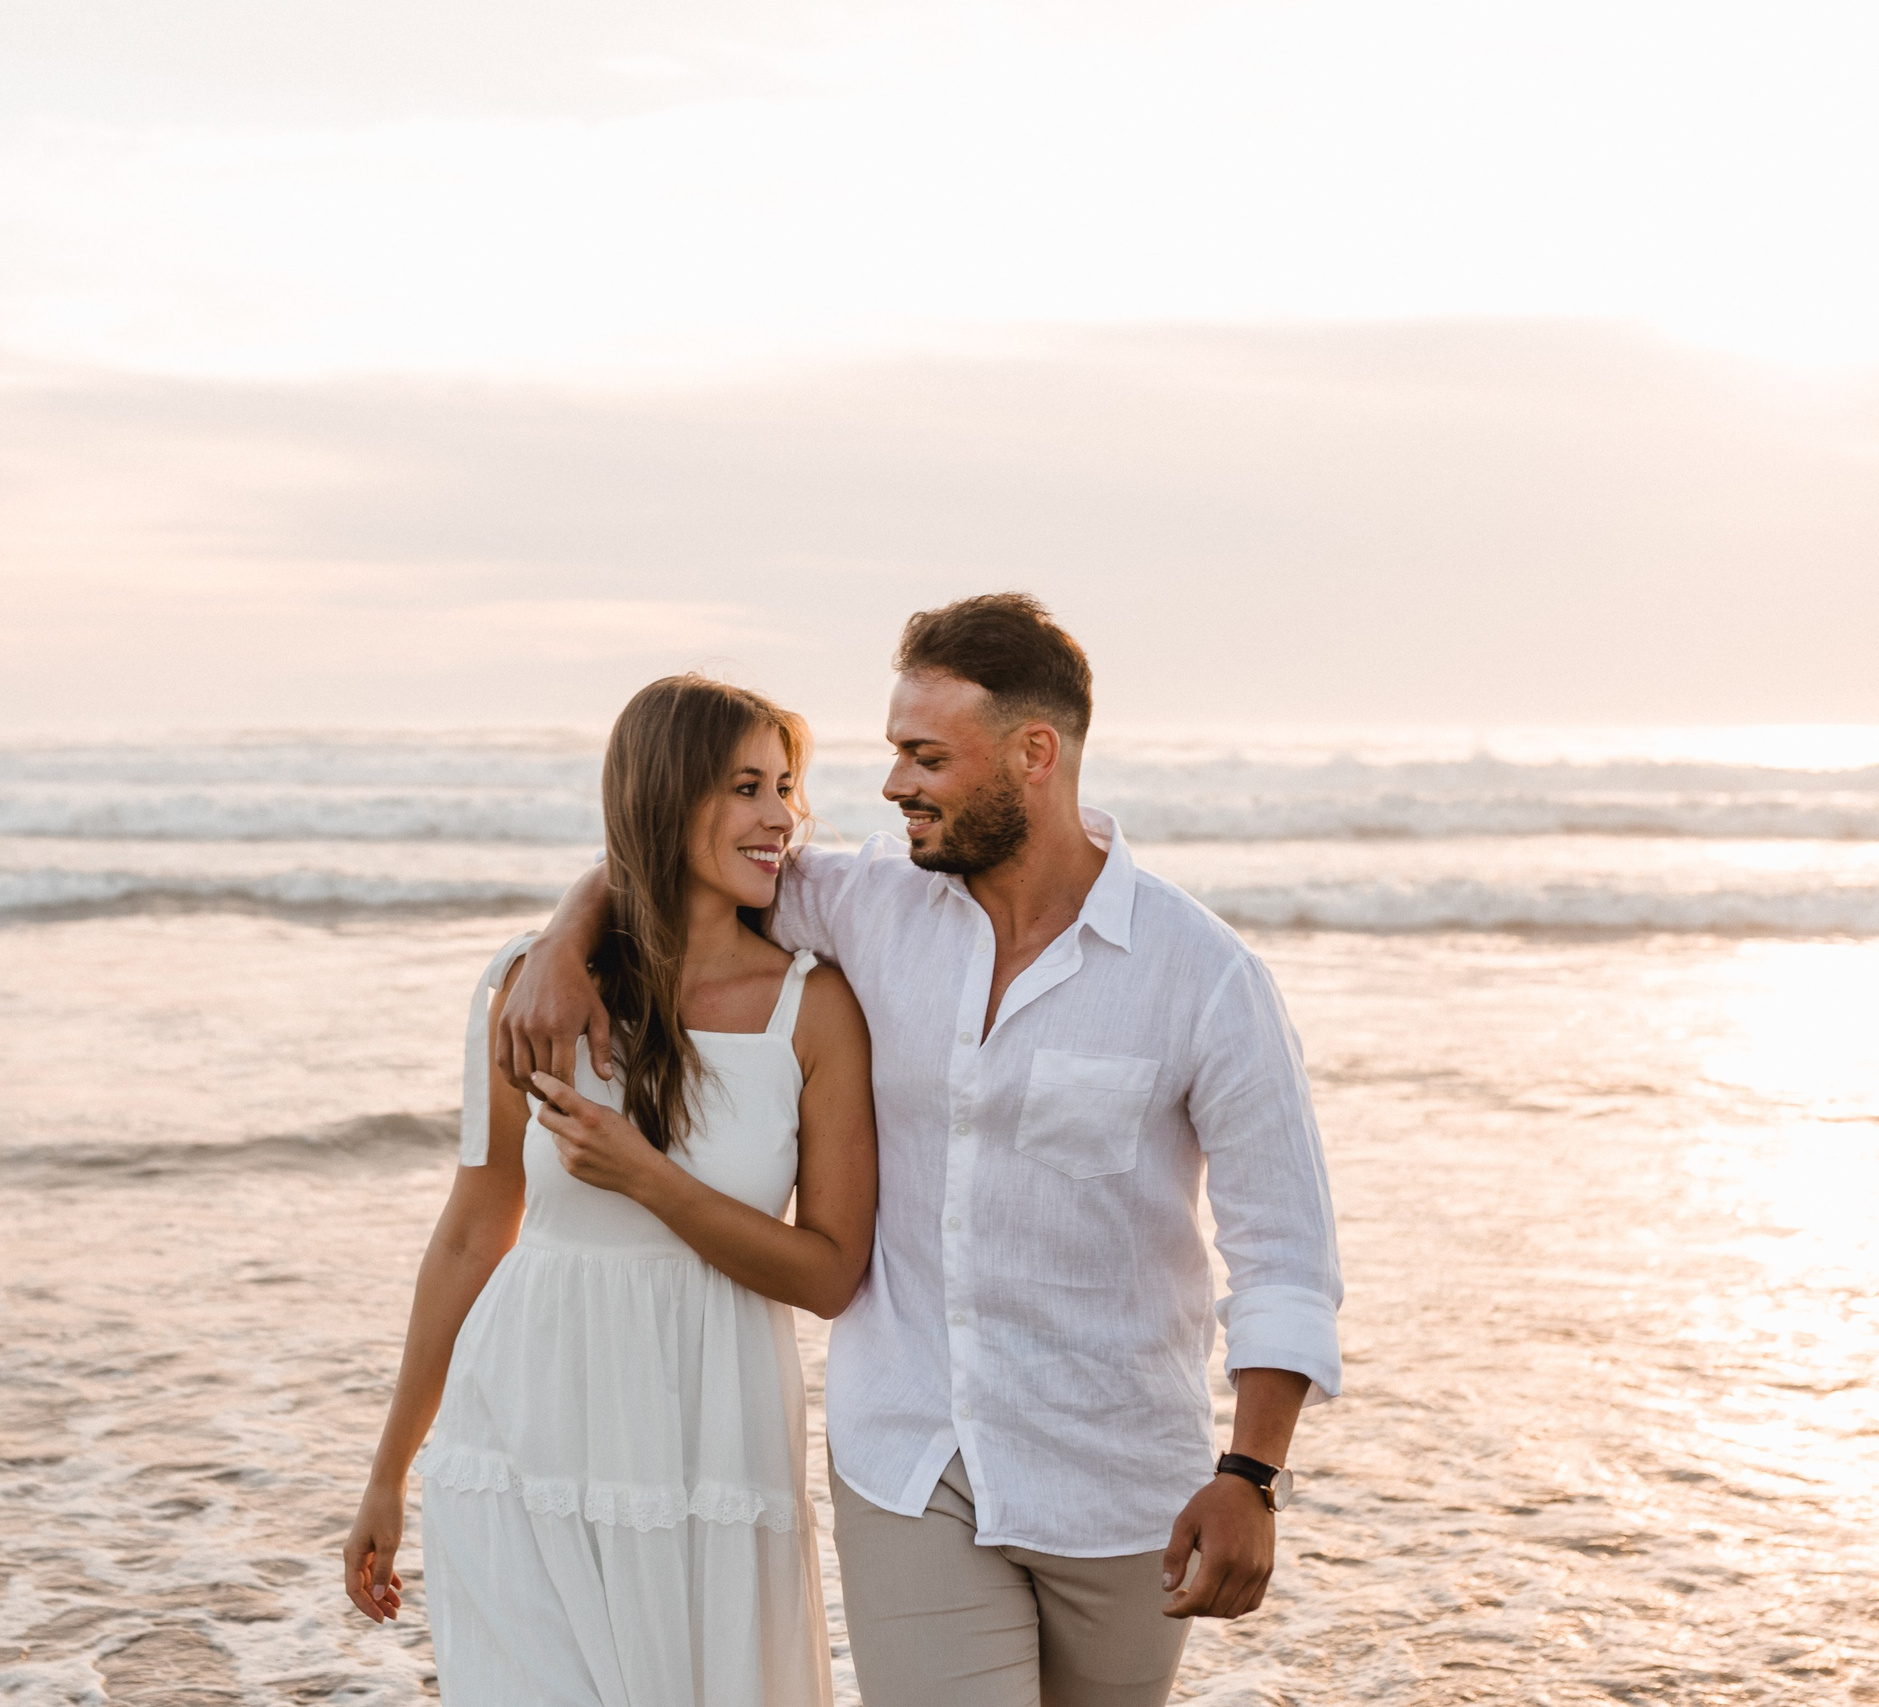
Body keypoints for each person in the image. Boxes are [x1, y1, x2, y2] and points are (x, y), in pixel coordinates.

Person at [501, 594, 1344, 1707]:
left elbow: (1283, 1254)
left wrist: (1251, 1476)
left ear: (1032, 754)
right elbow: (690, 854)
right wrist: (565, 938)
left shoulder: (1204, 977)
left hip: (1118, 1479)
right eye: (895, 750)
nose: (892, 783)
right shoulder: (868, 905)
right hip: (907, 1460)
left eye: (924, 755)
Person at [342, 675, 878, 1707]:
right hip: (521, 1426)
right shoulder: (539, 989)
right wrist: (386, 1472)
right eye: (747, 788)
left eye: (786, 787)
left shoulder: (814, 1013)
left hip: (707, 1438)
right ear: (666, 797)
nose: (783, 820)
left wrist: (648, 1179)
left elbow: (829, 1273)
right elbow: (470, 1232)